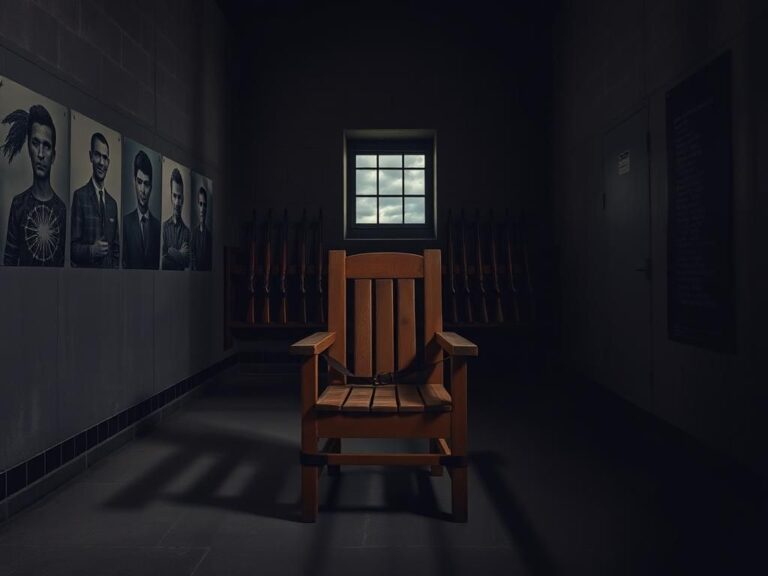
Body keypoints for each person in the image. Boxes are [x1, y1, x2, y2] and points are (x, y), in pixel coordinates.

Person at [2, 104, 67, 266]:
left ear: (53, 156)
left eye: (46, 146)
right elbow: (8, 266)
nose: (40, 154)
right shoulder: (18, 205)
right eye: (35, 143)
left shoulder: (61, 209)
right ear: (28, 148)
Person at [70, 132, 119, 267]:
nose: (101, 162)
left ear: (108, 162)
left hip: (108, 284)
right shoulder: (79, 197)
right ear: (90, 156)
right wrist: (91, 251)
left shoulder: (112, 205)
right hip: (86, 282)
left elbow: (116, 249)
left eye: (105, 157)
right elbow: (72, 249)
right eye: (97, 155)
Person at [122, 150, 160, 269]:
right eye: (139, 182)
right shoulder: (126, 223)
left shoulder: (158, 227)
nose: (142, 190)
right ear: (134, 182)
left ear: (151, 187)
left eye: (146, 184)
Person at [161, 168, 190, 270]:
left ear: (183, 199)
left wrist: (169, 252)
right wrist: (179, 254)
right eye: (174, 196)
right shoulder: (164, 227)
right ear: (171, 197)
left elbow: (186, 263)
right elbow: (162, 262)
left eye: (180, 197)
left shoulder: (187, 232)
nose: (177, 202)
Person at [190, 186, 212, 270]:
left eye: (204, 205)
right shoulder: (194, 234)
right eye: (200, 204)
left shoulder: (209, 236)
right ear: (197, 206)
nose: (202, 209)